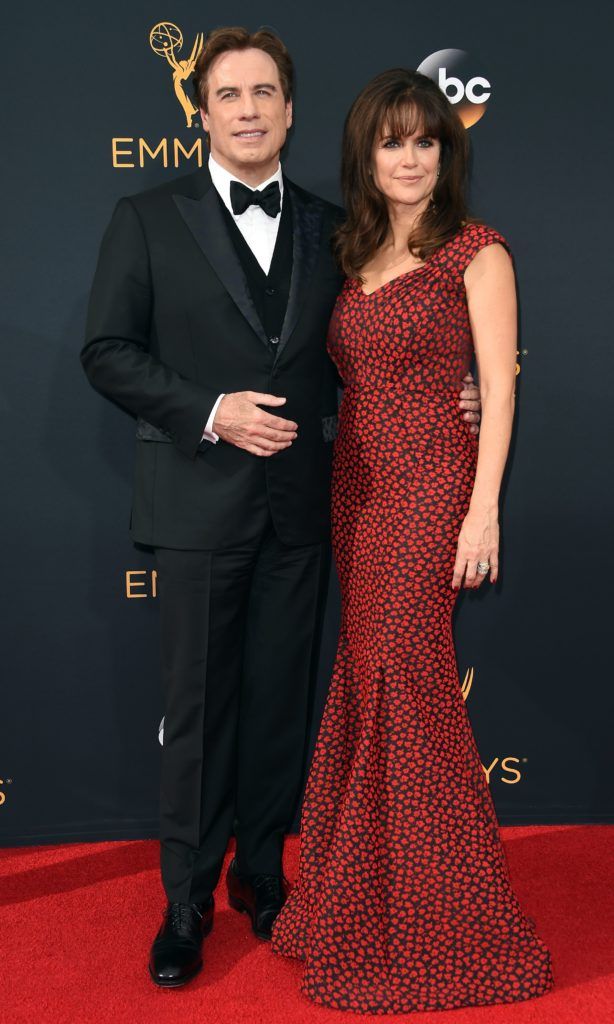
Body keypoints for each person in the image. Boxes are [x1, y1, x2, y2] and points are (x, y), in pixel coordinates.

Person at [81, 32, 482, 989]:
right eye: (230, 94)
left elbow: (382, 342)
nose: (250, 109)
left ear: (292, 111)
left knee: (274, 713)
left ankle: (264, 875)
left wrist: (454, 394)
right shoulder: (145, 215)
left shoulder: (332, 226)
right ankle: (185, 901)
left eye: (267, 92)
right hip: (194, 508)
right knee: (198, 712)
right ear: (204, 112)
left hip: (307, 514)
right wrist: (210, 411)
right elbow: (106, 351)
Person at [271, 68, 554, 1013]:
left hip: (435, 486)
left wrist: (484, 509)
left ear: (446, 152)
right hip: (356, 487)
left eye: (425, 140)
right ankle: (366, 899)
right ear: (367, 153)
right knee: (369, 677)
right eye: (392, 141)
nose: (408, 157)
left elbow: (499, 388)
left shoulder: (478, 251)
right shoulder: (349, 255)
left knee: (409, 683)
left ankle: (452, 923)